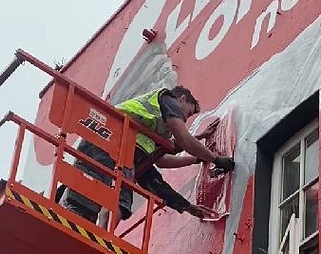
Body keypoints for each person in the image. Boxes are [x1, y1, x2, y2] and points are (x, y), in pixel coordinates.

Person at [61, 86, 235, 224]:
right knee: (114, 197)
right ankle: (100, 235)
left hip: (112, 146)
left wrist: (187, 205)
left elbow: (160, 163)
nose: (186, 119)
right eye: (188, 113)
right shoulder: (167, 98)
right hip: (110, 136)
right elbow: (183, 139)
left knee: (104, 200)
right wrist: (215, 159)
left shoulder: (154, 132)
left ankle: (94, 233)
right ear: (181, 99)